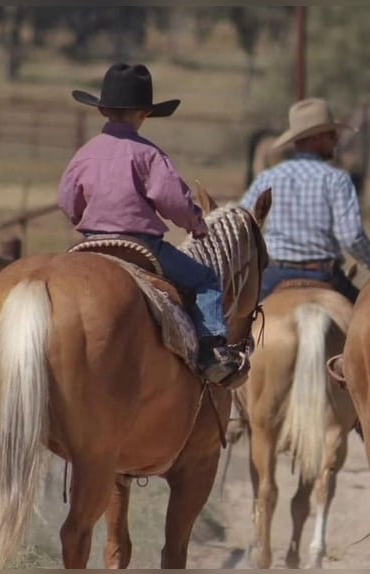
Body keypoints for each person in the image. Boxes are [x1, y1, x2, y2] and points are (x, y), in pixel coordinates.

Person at [57, 62, 244, 386]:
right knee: (206, 281)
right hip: (141, 246)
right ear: (144, 114)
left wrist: (83, 219)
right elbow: (171, 199)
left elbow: (66, 199)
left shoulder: (84, 154)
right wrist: (195, 225)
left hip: (91, 243)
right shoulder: (149, 154)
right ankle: (212, 350)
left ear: (102, 110)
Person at [239, 97, 370, 303]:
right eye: (331, 134)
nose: (336, 139)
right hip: (324, 274)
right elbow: (351, 237)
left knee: (239, 330)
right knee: (369, 322)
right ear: (315, 138)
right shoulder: (337, 179)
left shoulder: (268, 177)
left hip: (273, 276)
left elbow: (239, 223)